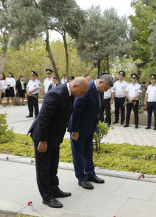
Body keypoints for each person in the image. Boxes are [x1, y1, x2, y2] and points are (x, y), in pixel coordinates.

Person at [28, 77, 89, 208]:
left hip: (55, 136)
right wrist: (43, 141)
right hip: (43, 137)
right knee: (43, 168)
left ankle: (54, 189)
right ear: (75, 86)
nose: (82, 95)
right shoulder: (55, 94)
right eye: (82, 92)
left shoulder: (70, 94)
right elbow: (44, 118)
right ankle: (47, 196)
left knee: (53, 165)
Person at [68, 74, 113, 190]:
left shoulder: (100, 91)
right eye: (106, 88)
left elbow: (96, 110)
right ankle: (81, 178)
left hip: (89, 128)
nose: (106, 91)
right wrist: (74, 130)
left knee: (89, 152)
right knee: (78, 154)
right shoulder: (86, 88)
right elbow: (76, 110)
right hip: (78, 128)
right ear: (101, 82)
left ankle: (90, 174)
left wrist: (94, 127)